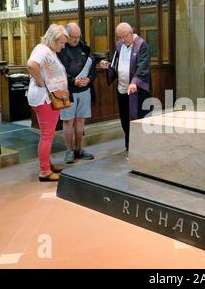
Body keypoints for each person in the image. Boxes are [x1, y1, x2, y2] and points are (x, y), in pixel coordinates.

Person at [100, 22, 151, 151]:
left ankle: (140, 147)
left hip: (137, 91)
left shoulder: (141, 45)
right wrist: (108, 66)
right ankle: (129, 146)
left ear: (131, 32)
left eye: (124, 36)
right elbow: (116, 62)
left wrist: (134, 82)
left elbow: (143, 66)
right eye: (119, 37)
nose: (122, 40)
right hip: (122, 89)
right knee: (124, 119)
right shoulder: (119, 45)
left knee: (137, 119)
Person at [26, 24, 68, 182]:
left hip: (47, 97)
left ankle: (47, 164)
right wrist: (40, 81)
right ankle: (44, 171)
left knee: (47, 134)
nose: (63, 46)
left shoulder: (47, 50)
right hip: (44, 98)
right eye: (61, 43)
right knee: (47, 135)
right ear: (53, 39)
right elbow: (31, 65)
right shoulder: (42, 49)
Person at [57, 23, 97, 164]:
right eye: (73, 37)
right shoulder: (61, 48)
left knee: (81, 120)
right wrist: (73, 81)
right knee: (68, 122)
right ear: (66, 36)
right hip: (68, 91)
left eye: (78, 36)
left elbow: (92, 67)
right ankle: (69, 151)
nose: (76, 40)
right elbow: (58, 72)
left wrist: (89, 78)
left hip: (84, 90)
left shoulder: (84, 47)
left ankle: (79, 149)